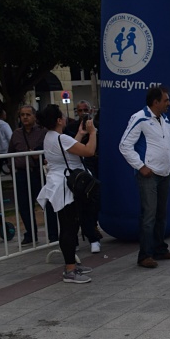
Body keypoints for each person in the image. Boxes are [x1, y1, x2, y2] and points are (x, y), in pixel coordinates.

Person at [119, 85, 170, 268]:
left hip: (164, 173)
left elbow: (169, 143)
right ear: (155, 102)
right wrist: (141, 166)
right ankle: (145, 255)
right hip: (149, 175)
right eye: (166, 100)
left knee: (161, 214)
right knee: (149, 215)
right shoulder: (140, 118)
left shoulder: (165, 119)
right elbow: (124, 145)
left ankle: (159, 249)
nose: (169, 103)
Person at [36, 104, 97, 283]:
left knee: (69, 226)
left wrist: (80, 134)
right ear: (58, 120)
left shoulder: (51, 137)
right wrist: (92, 133)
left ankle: (71, 265)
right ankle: (70, 269)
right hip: (65, 187)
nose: (64, 117)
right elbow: (89, 151)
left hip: (58, 184)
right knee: (69, 228)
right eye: (62, 115)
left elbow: (69, 148)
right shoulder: (60, 138)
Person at [9, 105, 57, 244]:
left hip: (38, 172)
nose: (25, 117)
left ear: (34, 116)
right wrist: (13, 169)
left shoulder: (43, 132)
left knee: (47, 203)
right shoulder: (16, 134)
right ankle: (30, 234)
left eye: (28, 114)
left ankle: (53, 234)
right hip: (22, 173)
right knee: (24, 205)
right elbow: (10, 153)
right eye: (22, 115)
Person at [64, 100, 102, 253]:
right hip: (76, 170)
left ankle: (93, 235)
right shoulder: (71, 128)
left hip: (92, 165)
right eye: (80, 111)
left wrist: (92, 132)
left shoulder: (98, 125)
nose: (83, 113)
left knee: (91, 202)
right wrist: (85, 133)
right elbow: (77, 147)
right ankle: (77, 239)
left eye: (85, 110)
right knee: (76, 206)